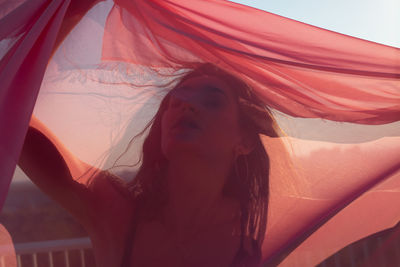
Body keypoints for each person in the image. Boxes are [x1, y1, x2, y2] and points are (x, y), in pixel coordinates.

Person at [18, 63, 281, 267]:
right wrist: (66, 14)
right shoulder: (115, 210)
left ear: (245, 142)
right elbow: (8, 114)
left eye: (211, 101)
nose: (186, 105)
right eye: (175, 101)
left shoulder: (263, 229)